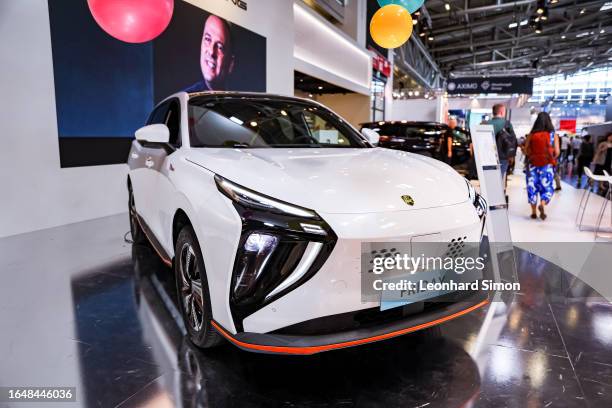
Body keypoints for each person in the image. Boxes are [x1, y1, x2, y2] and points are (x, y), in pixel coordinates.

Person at [184, 15, 235, 92]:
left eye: (219, 47)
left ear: (231, 63)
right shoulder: (185, 99)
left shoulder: (237, 102)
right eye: (207, 39)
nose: (211, 52)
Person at [524, 112, 560, 220]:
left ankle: (534, 212)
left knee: (532, 188)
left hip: (532, 166)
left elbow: (526, 151)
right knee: (547, 187)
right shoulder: (553, 135)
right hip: (547, 166)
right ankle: (543, 204)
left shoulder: (531, 135)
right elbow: (557, 152)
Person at [488, 104, 517, 183]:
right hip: (502, 157)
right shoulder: (506, 124)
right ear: (501, 112)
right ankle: (496, 194)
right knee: (499, 179)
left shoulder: (485, 123)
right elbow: (512, 141)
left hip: (487, 157)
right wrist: (512, 156)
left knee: (488, 180)